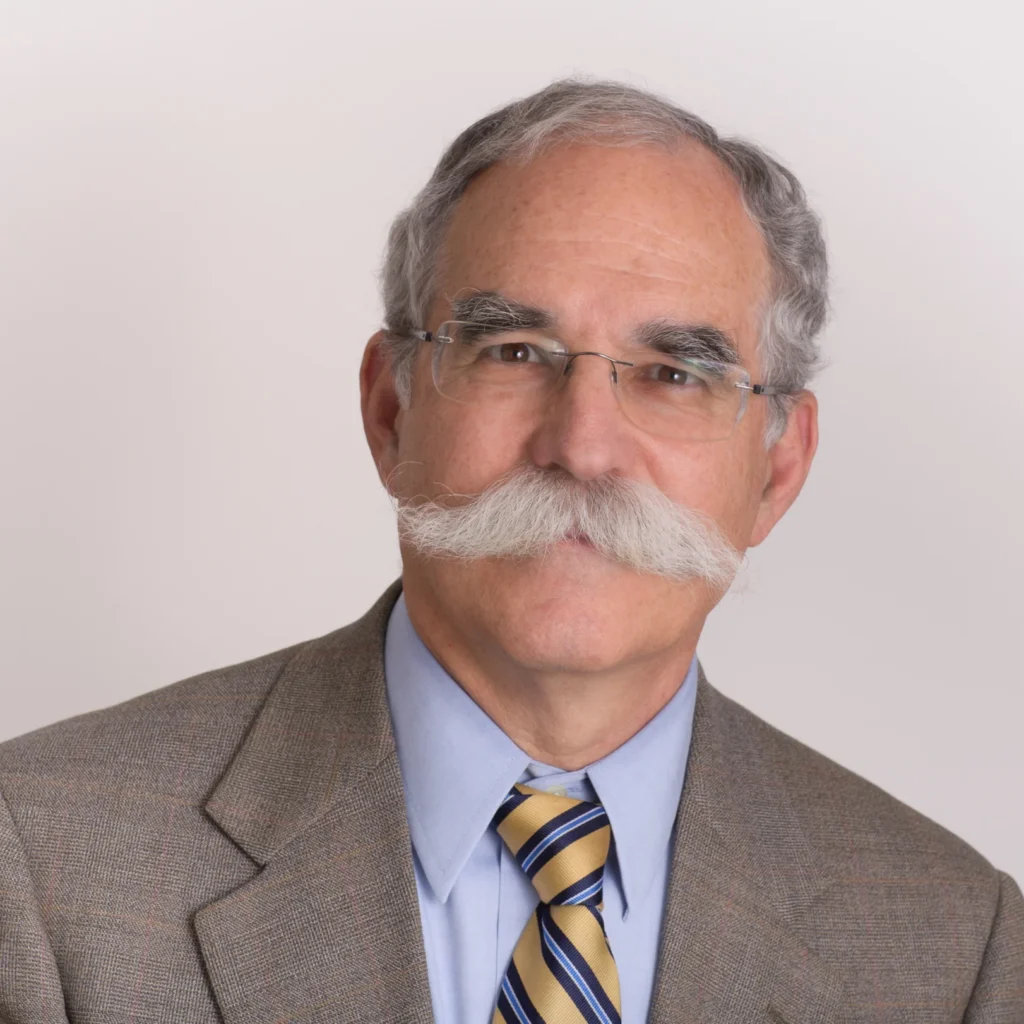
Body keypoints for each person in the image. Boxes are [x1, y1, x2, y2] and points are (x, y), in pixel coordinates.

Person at [0, 79, 1020, 1024]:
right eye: (513, 352)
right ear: (391, 409)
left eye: (672, 372)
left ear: (778, 467)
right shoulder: (44, 869)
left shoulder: (952, 946)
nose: (580, 447)